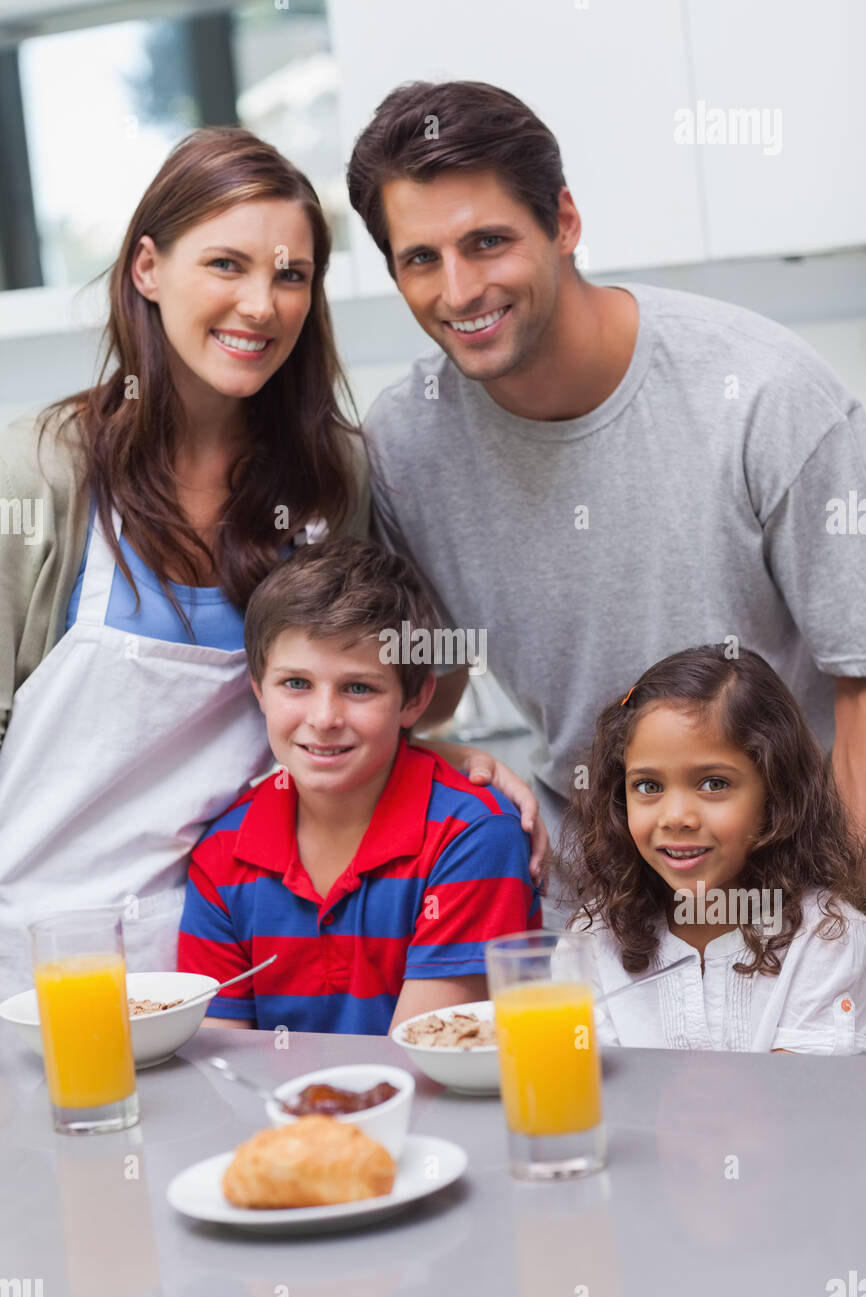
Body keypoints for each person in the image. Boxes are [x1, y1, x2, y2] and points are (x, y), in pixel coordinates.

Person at [0, 124, 540, 1000]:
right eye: (226, 265)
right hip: (34, 972)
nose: (262, 304)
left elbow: (357, 669)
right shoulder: (41, 471)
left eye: (292, 275)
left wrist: (435, 751)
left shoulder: (334, 478)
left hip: (223, 962)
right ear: (147, 269)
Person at [346, 80, 866, 853]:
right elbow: (435, 685)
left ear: (563, 222)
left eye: (487, 241)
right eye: (422, 258)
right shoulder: (403, 444)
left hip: (787, 884)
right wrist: (420, 744)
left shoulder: (763, 393)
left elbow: (859, 679)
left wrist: (840, 923)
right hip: (590, 895)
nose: (459, 291)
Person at [177, 538, 540, 1033]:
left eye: (359, 688)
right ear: (259, 690)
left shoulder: (474, 838)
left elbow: (426, 1061)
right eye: (296, 684)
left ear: (414, 701)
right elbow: (221, 1064)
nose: (324, 719)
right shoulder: (221, 856)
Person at [554, 645, 866, 1053]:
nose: (676, 817)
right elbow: (589, 1086)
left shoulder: (827, 935)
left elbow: (796, 1103)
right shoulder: (592, 940)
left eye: (713, 784)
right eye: (648, 786)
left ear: (776, 794)